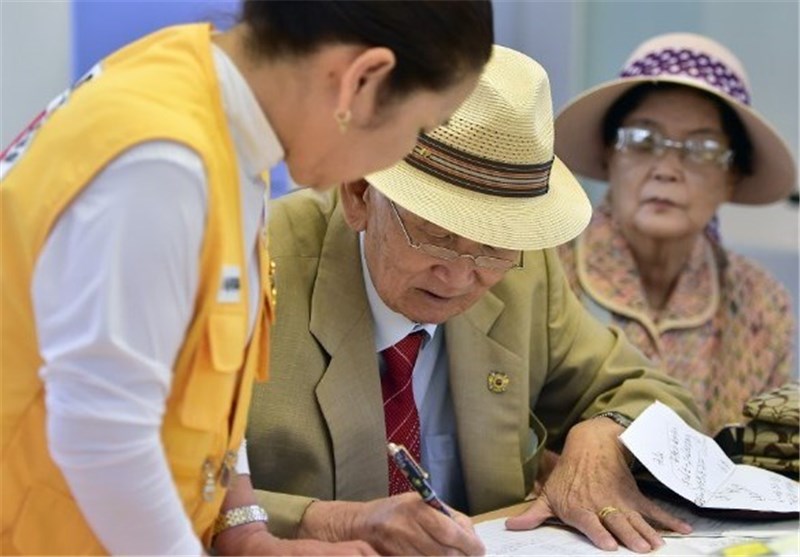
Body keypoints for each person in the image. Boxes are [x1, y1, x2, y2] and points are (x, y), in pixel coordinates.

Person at [0, 2, 493, 555]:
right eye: (421, 127)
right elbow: (101, 434)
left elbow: (206, 390)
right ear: (363, 80)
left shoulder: (225, 117)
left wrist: (247, 535)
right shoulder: (163, 160)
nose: (405, 153)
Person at [246, 45, 703, 556]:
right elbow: (160, 478)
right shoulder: (253, 266)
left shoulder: (525, 274)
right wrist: (329, 522)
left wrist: (601, 438)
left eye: (492, 245)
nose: (461, 275)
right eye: (434, 236)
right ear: (359, 195)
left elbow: (660, 396)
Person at [554, 33, 797, 435]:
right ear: (608, 154)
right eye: (643, 140)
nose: (666, 168)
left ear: (732, 176)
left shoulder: (761, 303)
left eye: (702, 148)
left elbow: (761, 456)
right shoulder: (545, 271)